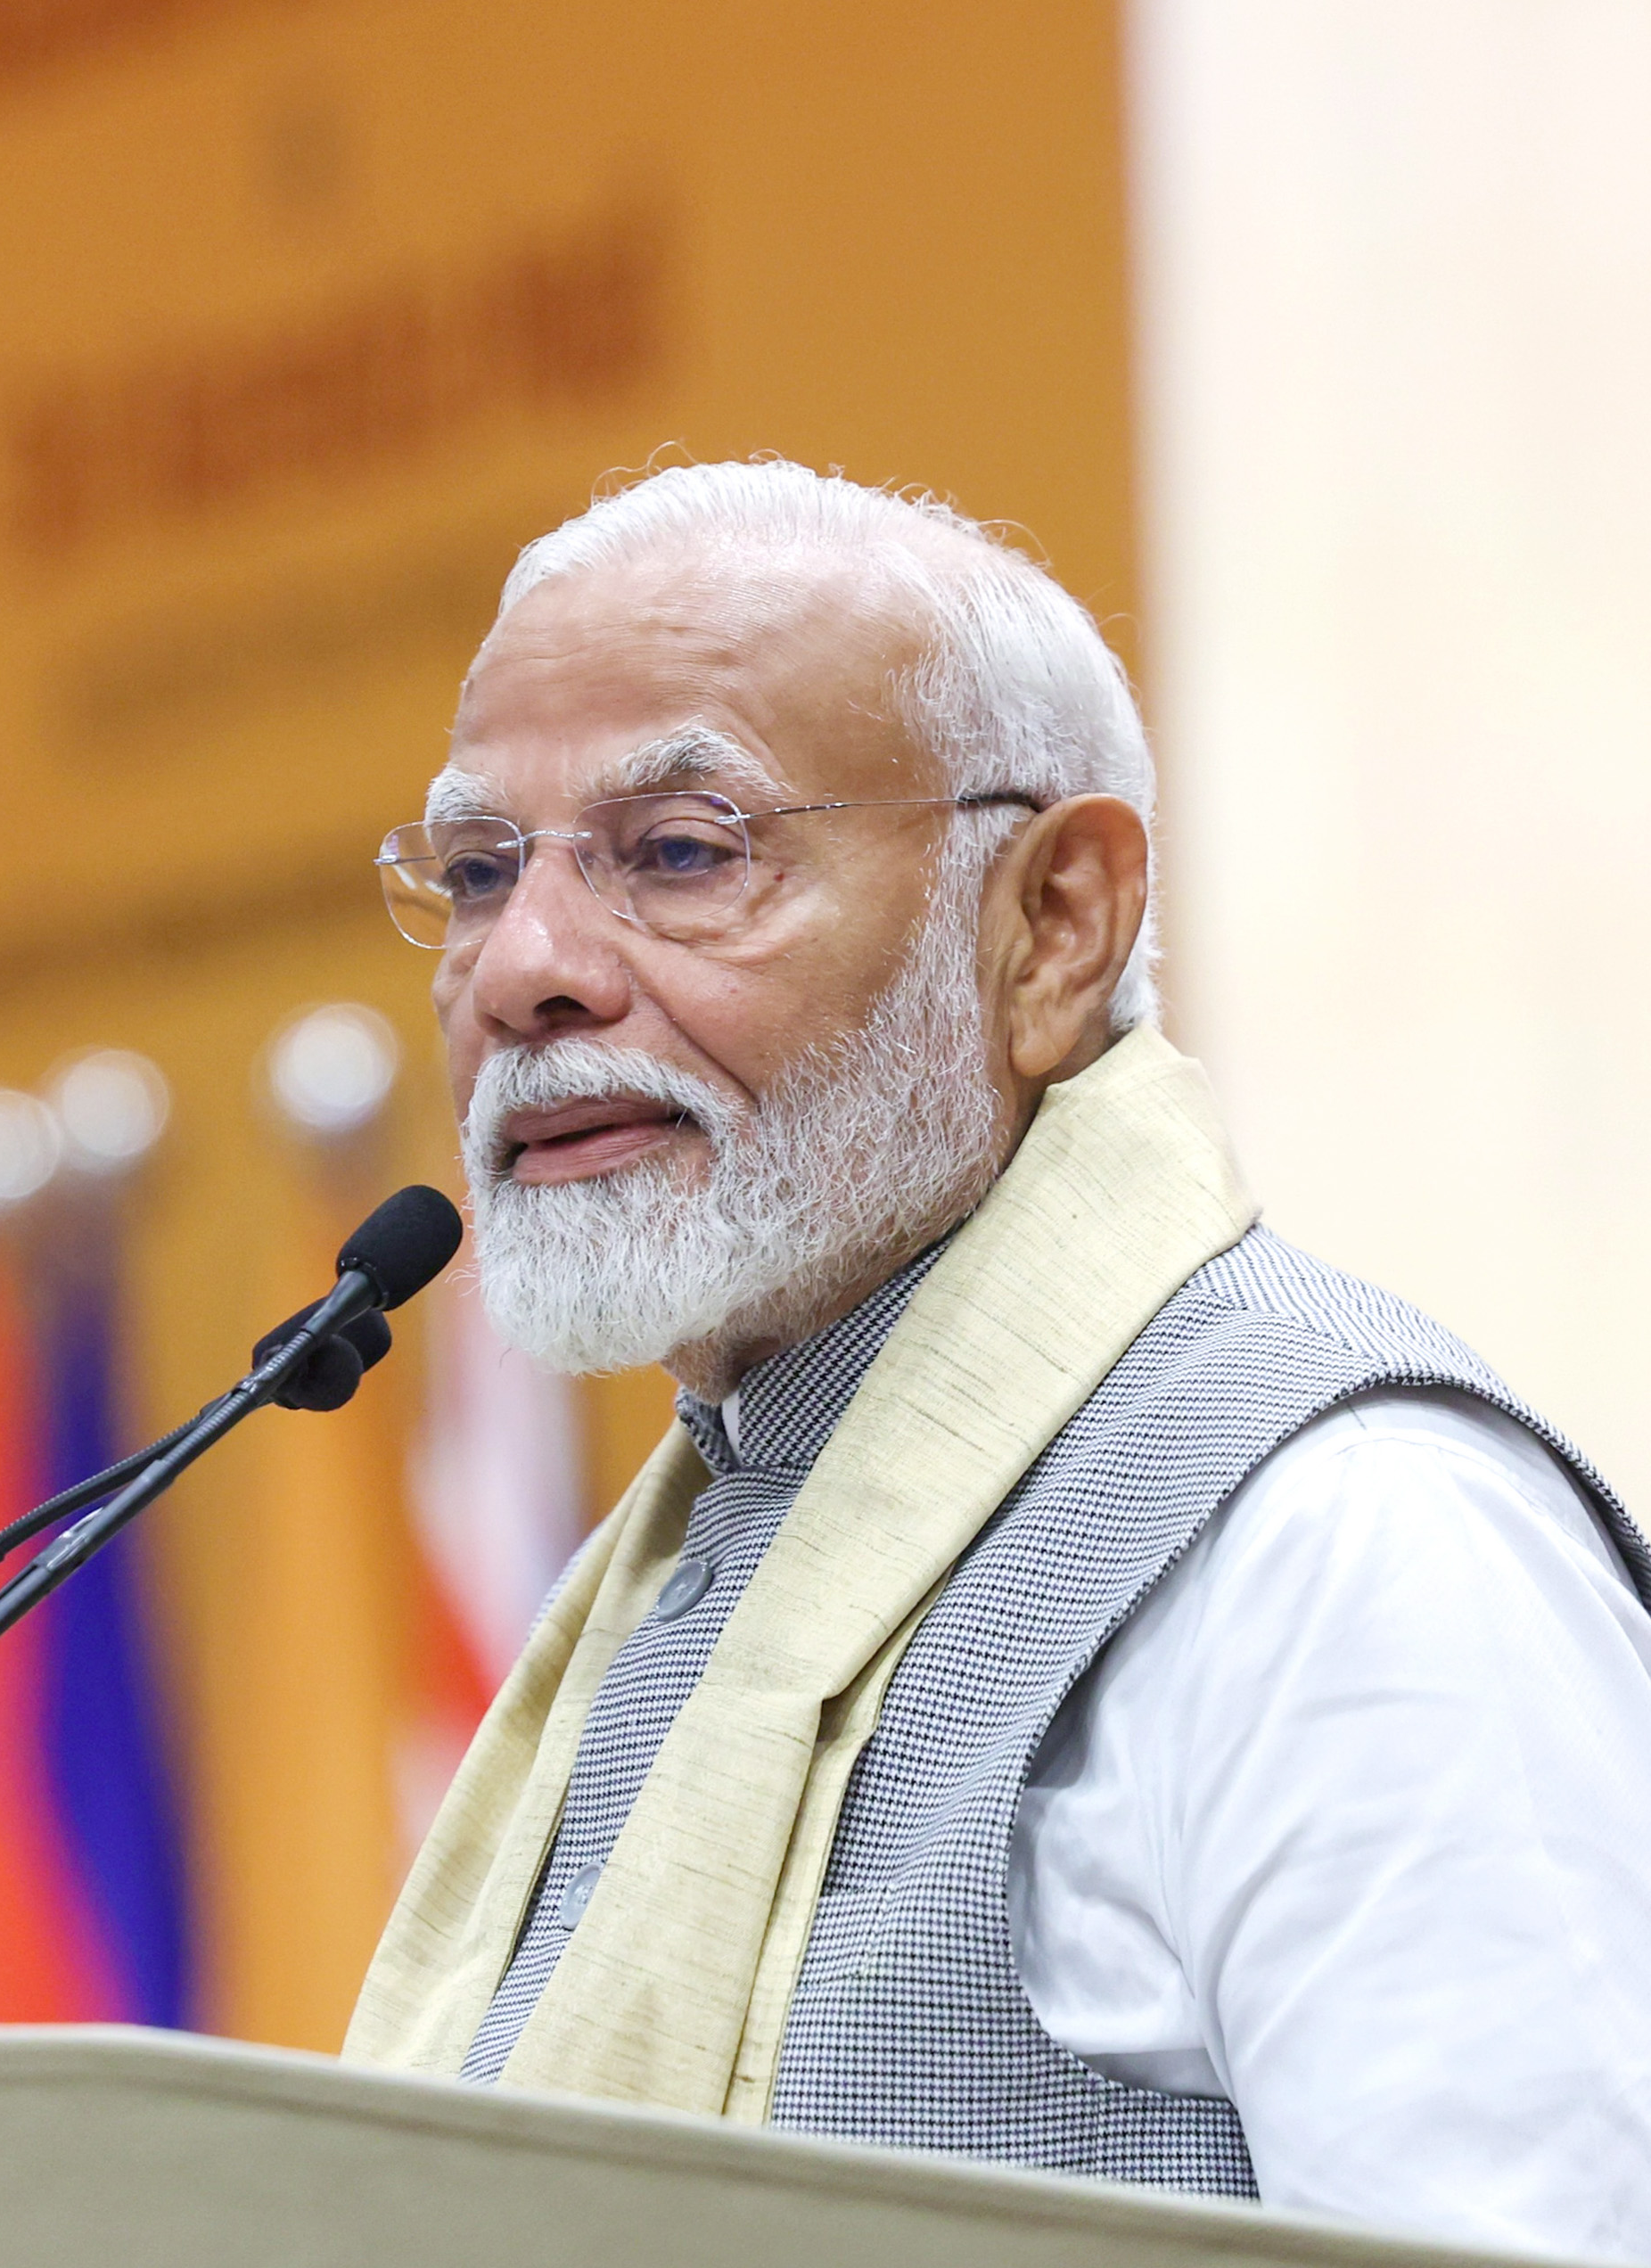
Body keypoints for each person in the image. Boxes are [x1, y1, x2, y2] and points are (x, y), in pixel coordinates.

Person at [344, 459, 1651, 2260]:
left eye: (679, 853)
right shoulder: (663, 1568)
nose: (526, 969)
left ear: (1052, 921)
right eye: (480, 871)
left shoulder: (1338, 1540)